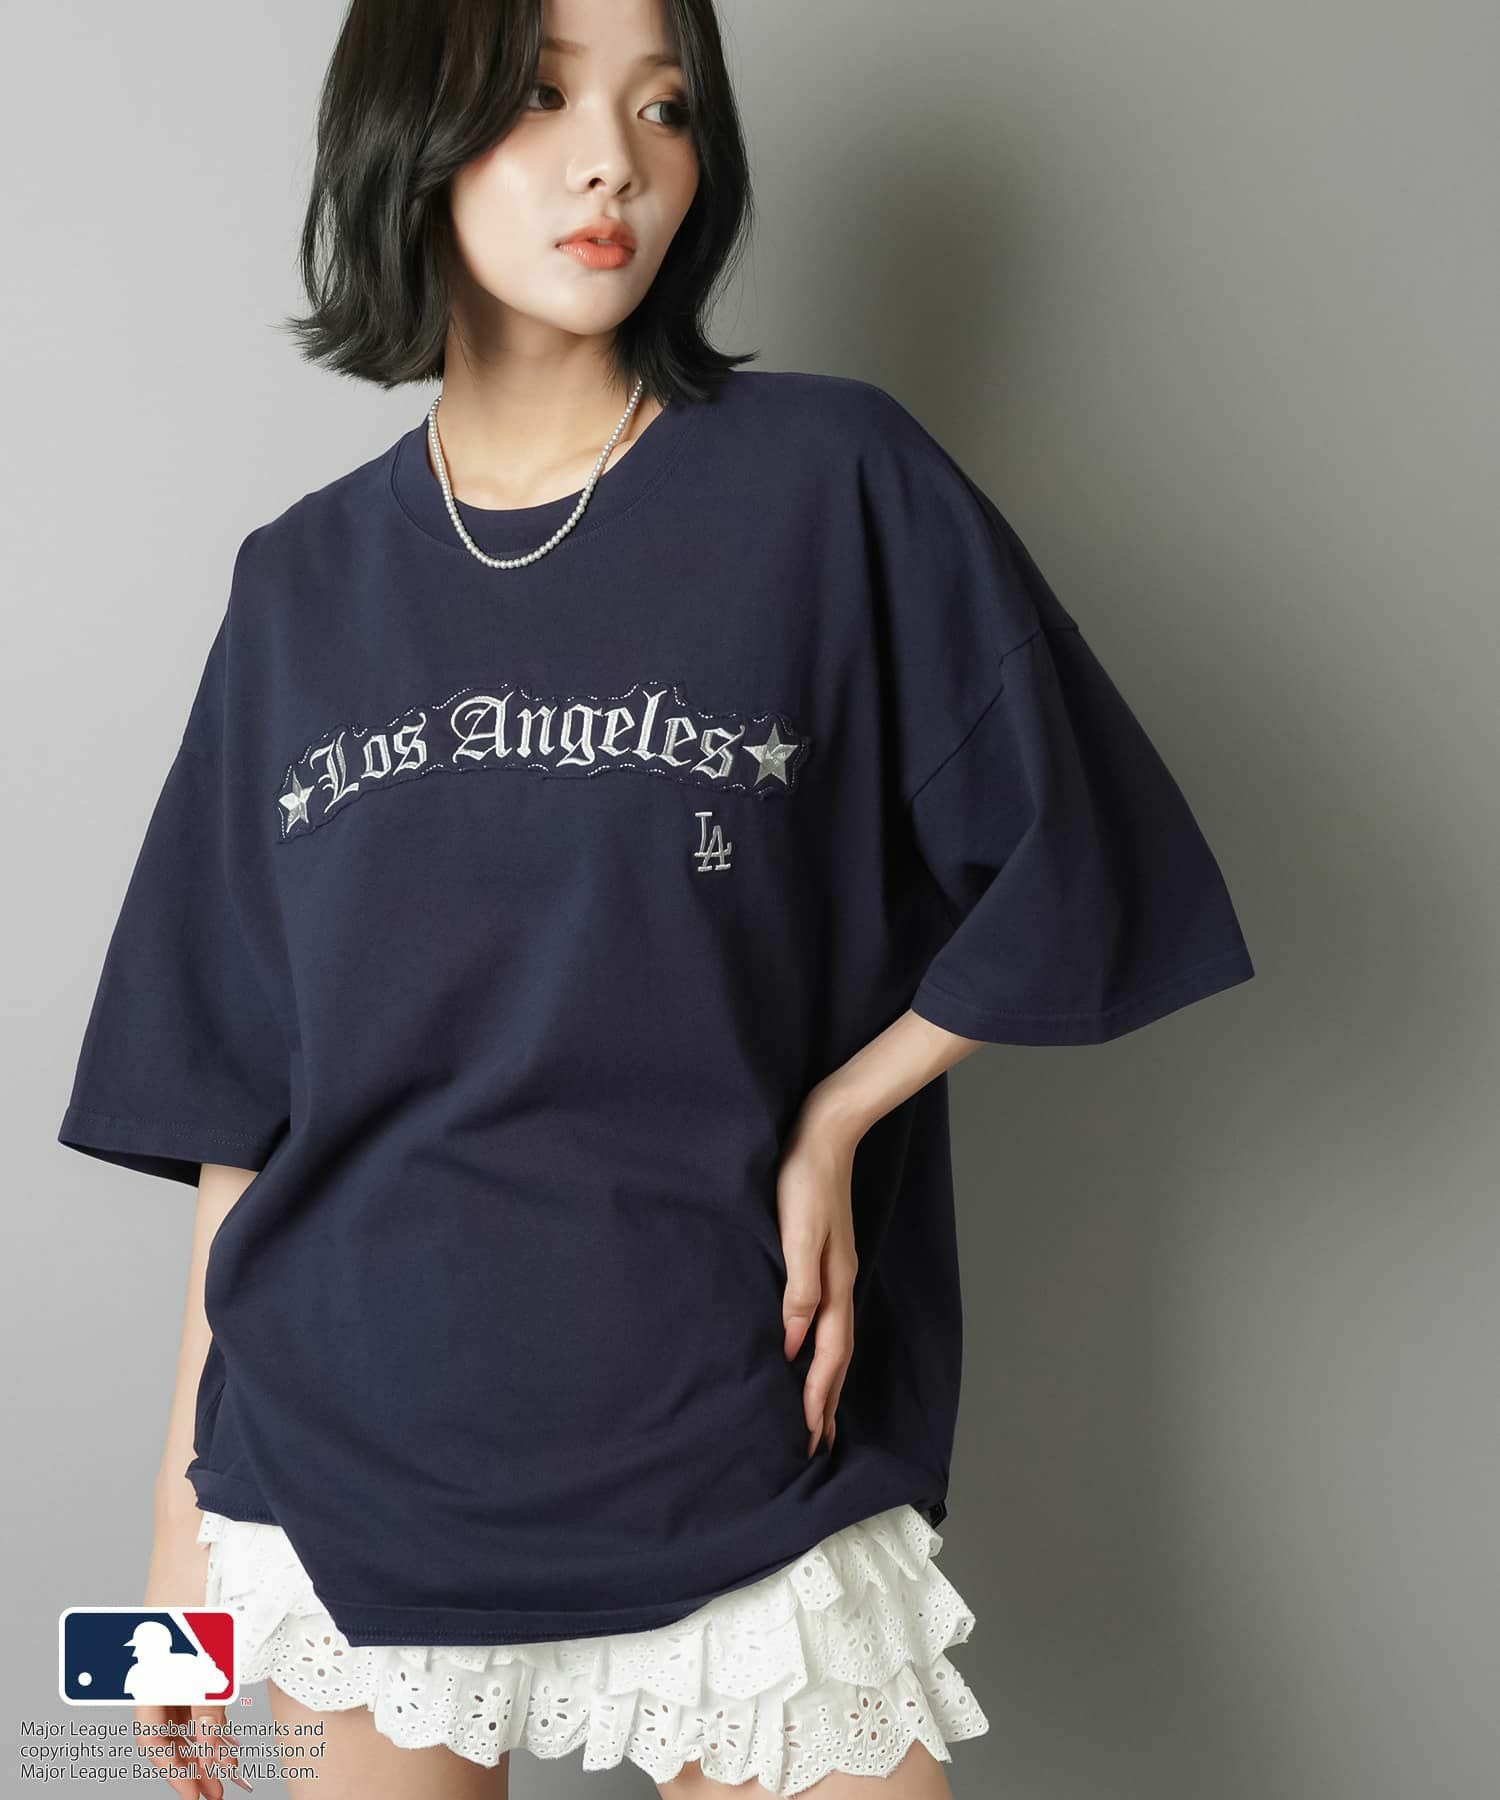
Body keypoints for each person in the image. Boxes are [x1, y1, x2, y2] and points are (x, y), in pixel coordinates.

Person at [55, 0, 1256, 1795]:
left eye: (666, 106)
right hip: (336, 1482)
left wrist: (844, 1111)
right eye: (541, 98)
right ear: (410, 132)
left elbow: (1085, 847)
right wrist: (174, 1575)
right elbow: (238, 1106)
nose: (614, 160)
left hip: (739, 1437)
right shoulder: (298, 584)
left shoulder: (833, 483)